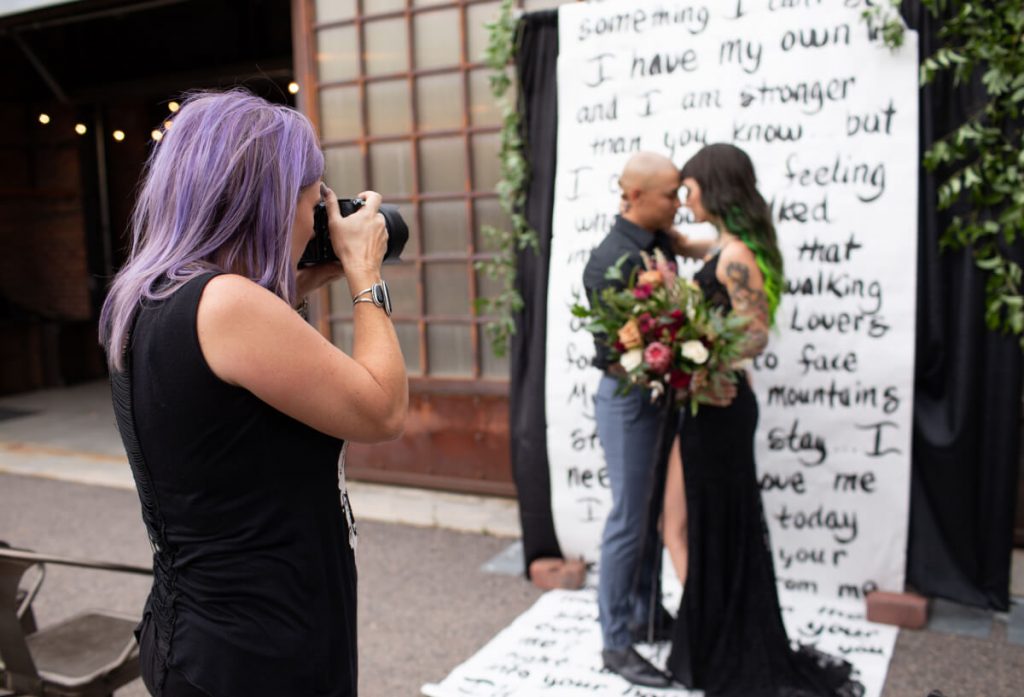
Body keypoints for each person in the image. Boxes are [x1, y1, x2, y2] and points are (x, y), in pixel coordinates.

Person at [99, 89, 408, 697]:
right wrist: (364, 275)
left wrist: (291, 289)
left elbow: (227, 411)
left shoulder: (153, 294)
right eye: (313, 195)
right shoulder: (229, 304)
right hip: (256, 649)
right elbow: (383, 409)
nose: (319, 214)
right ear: (268, 198)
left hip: (206, 631)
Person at [665, 143, 863, 697]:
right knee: (700, 523)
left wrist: (700, 357)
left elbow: (755, 333)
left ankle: (727, 641)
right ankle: (713, 632)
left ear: (713, 185)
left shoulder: (735, 257)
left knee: (719, 526)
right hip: (711, 404)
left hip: (721, 408)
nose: (684, 198)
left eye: (689, 187)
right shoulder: (728, 245)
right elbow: (688, 243)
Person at [582, 151, 684, 688]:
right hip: (627, 396)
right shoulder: (609, 261)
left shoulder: (661, 240)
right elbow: (625, 347)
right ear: (638, 195)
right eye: (671, 194)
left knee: (648, 514)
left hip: (661, 395)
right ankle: (616, 643)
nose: (679, 203)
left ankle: (647, 615)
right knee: (628, 517)